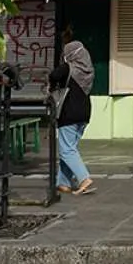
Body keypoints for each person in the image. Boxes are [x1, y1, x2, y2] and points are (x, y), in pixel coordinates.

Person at [49, 39, 95, 196]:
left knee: (66, 150)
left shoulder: (68, 68)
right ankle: (64, 184)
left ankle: (84, 178)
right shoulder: (88, 70)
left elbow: (54, 75)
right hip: (85, 112)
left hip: (69, 112)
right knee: (69, 148)